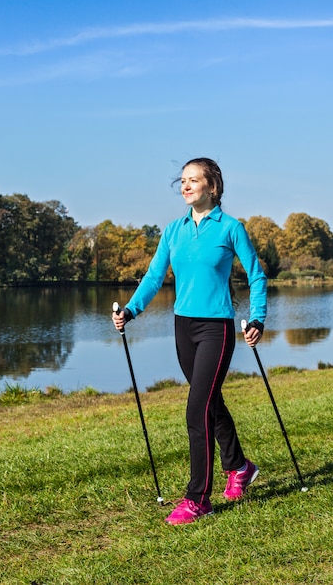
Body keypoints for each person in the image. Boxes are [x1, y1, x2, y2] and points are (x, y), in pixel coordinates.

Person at [112, 157, 267, 525]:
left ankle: (198, 498)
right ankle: (240, 466)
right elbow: (153, 278)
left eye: (193, 180)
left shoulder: (231, 228)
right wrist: (131, 311)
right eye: (182, 180)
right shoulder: (173, 230)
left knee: (196, 409)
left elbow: (258, 278)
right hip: (183, 327)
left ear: (212, 187)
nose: (185, 186)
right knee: (210, 403)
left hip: (217, 328)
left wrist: (257, 318)